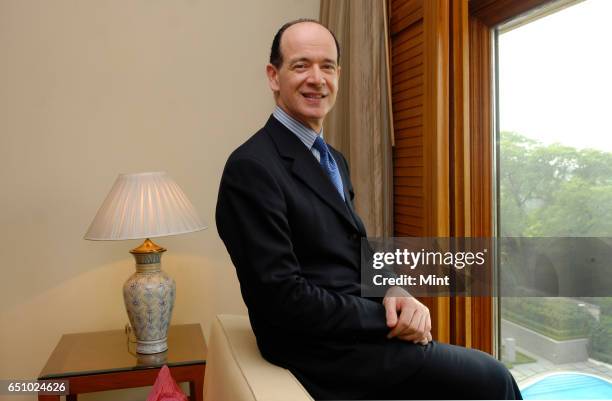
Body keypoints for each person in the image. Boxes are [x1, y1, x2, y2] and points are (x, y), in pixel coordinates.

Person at [215, 18, 522, 400]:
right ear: (273, 76)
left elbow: (352, 251)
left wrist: (396, 289)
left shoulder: (333, 160)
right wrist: (386, 320)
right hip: (322, 351)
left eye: (327, 66)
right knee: (494, 379)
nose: (317, 78)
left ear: (338, 76)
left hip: (355, 334)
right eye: (301, 65)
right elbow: (282, 300)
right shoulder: (251, 168)